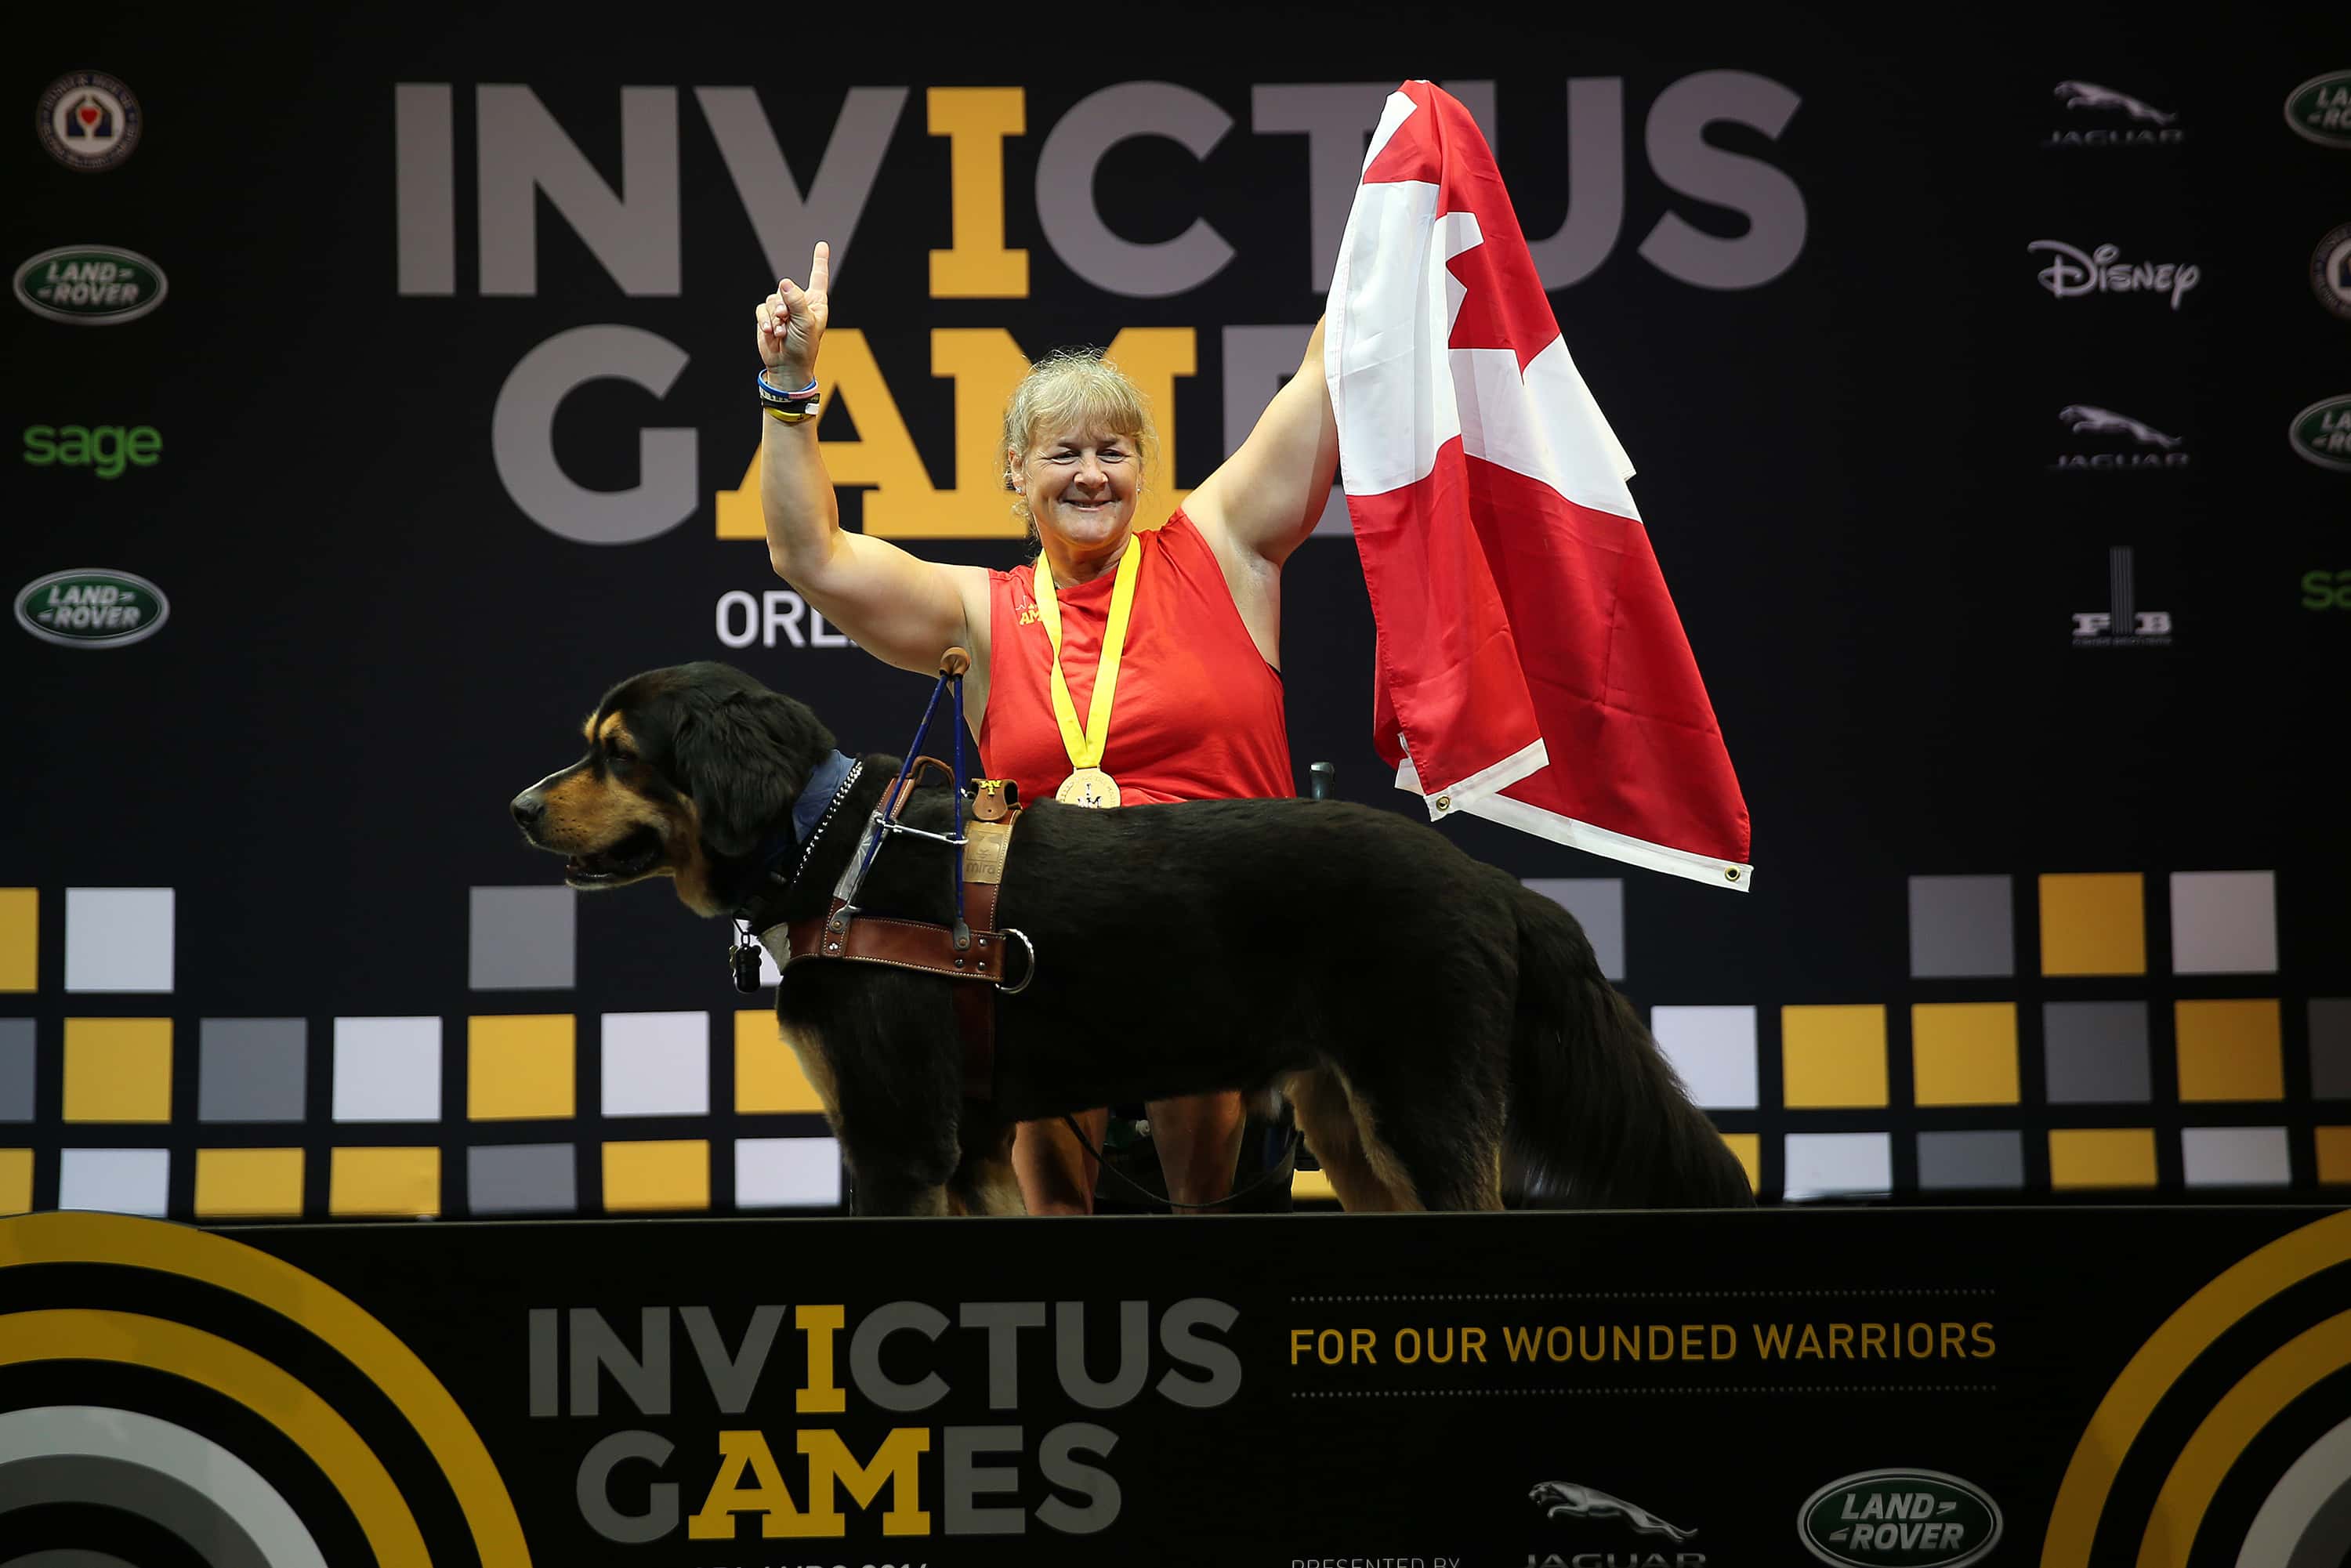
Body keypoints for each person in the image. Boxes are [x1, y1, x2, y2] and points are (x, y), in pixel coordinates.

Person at [753, 242, 1336, 1214]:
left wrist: (1393, 218)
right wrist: (787, 384)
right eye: (1063, 455)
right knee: (1021, 984)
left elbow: (1326, 376)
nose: (1091, 475)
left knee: (1181, 973)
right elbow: (810, 554)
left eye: (1113, 452)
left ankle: (1216, 1254)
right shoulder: (980, 615)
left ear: (1145, 468)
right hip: (1056, 952)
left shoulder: (1225, 547)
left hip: (1226, 935)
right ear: (1016, 476)